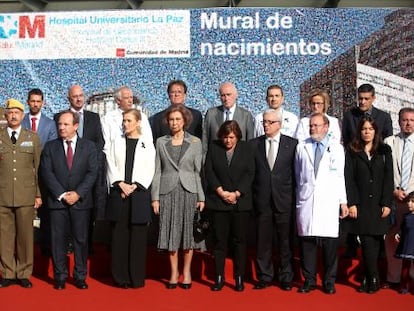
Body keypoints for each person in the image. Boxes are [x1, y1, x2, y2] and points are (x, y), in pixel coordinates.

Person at [40, 110, 98, 290]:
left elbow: (92, 173)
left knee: (81, 240)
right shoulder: (50, 147)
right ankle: (60, 276)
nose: (61, 127)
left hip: (81, 202)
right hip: (57, 203)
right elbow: (46, 173)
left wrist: (78, 193)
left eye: (65, 124)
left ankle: (80, 276)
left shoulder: (89, 147)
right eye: (59, 124)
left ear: (75, 126)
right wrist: (62, 194)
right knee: (58, 240)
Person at [151, 105, 205, 289]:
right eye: (171, 120)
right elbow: (157, 171)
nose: (174, 123)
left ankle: (187, 272)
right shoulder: (160, 142)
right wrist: (155, 198)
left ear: (185, 122)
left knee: (188, 235)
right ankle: (174, 273)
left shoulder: (196, 142)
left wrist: (201, 197)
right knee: (171, 234)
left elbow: (198, 172)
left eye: (178, 119)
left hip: (190, 191)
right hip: (167, 192)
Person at [295, 112, 348, 294]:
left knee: (329, 244)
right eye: (311, 126)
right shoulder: (302, 146)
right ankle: (309, 280)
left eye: (317, 125)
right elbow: (297, 174)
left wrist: (343, 202)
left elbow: (340, 176)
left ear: (326, 127)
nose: (313, 129)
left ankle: (329, 281)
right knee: (307, 243)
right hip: (307, 199)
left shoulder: (337, 149)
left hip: (328, 200)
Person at [105, 109, 155, 288]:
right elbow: (110, 162)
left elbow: (151, 166)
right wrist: (120, 183)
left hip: (139, 194)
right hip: (119, 193)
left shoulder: (147, 143)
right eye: (123, 120)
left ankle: (136, 277)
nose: (125, 124)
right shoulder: (116, 141)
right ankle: (120, 277)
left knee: (138, 237)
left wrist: (136, 185)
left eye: (128, 120)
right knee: (119, 236)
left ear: (138, 122)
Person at [342, 83, 393, 259]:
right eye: (360, 98)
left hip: (376, 168)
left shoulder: (384, 117)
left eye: (366, 99)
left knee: (376, 223)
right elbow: (347, 140)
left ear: (373, 98)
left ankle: (378, 252)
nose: (362, 102)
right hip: (356, 165)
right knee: (357, 218)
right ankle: (351, 245)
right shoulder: (349, 116)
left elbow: (387, 142)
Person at [344, 116, 393, 294]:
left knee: (375, 240)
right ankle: (373, 278)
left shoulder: (384, 150)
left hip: (379, 203)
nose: (367, 132)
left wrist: (387, 202)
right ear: (359, 131)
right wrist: (352, 203)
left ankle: (368, 276)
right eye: (364, 129)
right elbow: (348, 178)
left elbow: (389, 178)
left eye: (370, 129)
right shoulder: (352, 150)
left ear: (375, 131)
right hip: (361, 203)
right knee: (365, 241)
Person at [250, 109, 297, 291]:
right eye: (264, 122)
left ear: (279, 124)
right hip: (262, 200)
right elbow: (251, 174)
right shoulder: (254, 144)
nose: (266, 125)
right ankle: (265, 276)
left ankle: (286, 277)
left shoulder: (292, 144)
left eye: (270, 122)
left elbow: (296, 174)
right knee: (263, 241)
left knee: (285, 241)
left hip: (284, 200)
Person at [204, 120, 255, 292]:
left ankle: (239, 277)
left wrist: (237, 193)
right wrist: (221, 192)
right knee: (219, 241)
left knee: (239, 241)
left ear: (238, 136)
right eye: (225, 137)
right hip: (219, 202)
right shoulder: (214, 147)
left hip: (240, 203)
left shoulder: (247, 148)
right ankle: (219, 276)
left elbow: (250, 173)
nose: (228, 141)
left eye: (232, 137)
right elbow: (209, 171)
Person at [0, 99, 42, 289]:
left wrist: (38, 194)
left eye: (17, 112)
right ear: (5, 115)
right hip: (3, 195)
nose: (14, 115)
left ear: (23, 115)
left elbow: (38, 168)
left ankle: (24, 272)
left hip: (26, 195)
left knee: (25, 236)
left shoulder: (32, 137)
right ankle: (8, 272)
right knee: (4, 236)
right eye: (10, 112)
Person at [66, 84, 105, 253]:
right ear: (69, 98)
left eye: (81, 95)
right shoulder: (60, 117)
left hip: (88, 173)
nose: (79, 98)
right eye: (75, 96)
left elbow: (99, 143)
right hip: (67, 172)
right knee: (67, 211)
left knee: (87, 210)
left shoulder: (94, 118)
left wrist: (90, 164)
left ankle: (86, 246)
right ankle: (68, 245)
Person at [22, 88, 58, 257]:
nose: (35, 104)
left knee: (45, 213)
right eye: (32, 101)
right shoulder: (20, 122)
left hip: (43, 175)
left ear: (43, 103)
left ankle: (45, 244)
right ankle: (23, 246)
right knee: (23, 212)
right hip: (22, 174)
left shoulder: (50, 124)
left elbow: (50, 150)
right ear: (28, 102)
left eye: (38, 101)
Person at [384, 107, 414, 289]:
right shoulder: (389, 142)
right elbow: (384, 172)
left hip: (413, 201)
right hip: (394, 199)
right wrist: (393, 190)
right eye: (404, 120)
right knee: (391, 239)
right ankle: (393, 278)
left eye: (411, 120)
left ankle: (411, 277)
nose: (408, 123)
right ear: (399, 121)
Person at [202, 81, 254, 154]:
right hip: (215, 159)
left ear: (236, 95)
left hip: (239, 160)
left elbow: (250, 143)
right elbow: (205, 139)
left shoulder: (246, 116)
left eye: (229, 94)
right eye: (223, 95)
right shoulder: (211, 114)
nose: (226, 98)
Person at [102, 86, 152, 151]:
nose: (130, 101)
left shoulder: (142, 116)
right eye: (126, 98)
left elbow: (148, 139)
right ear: (118, 101)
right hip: (116, 155)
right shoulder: (108, 118)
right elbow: (106, 142)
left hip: (138, 153)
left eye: (131, 97)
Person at [394, 191, 414, 294]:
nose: (409, 204)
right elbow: (402, 228)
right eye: (408, 201)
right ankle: (404, 285)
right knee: (405, 267)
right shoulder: (406, 216)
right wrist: (399, 234)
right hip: (407, 244)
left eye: (412, 202)